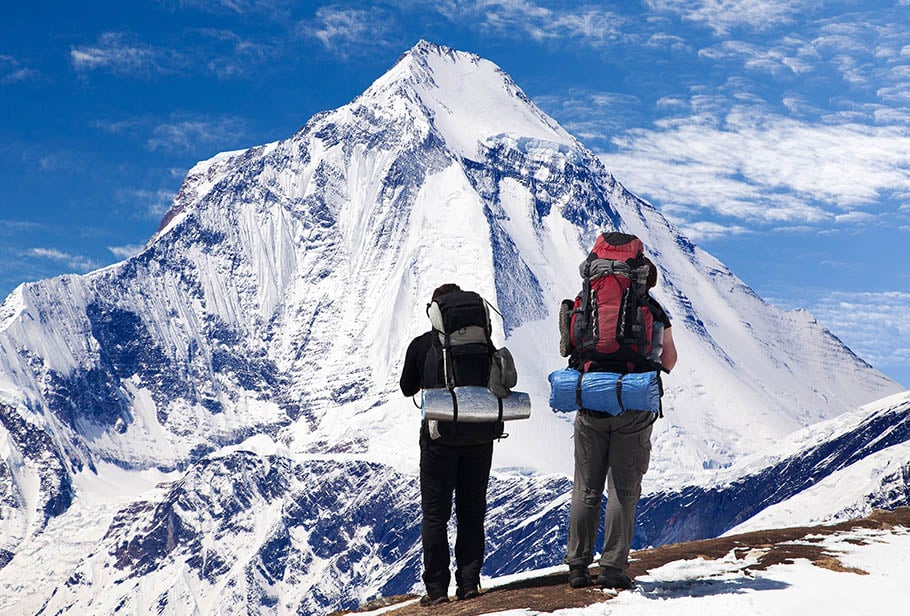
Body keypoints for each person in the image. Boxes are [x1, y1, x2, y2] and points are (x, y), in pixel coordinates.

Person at [565, 258, 677, 590]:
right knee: (622, 490)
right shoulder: (652, 310)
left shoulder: (583, 304)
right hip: (633, 406)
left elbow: (570, 347)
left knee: (586, 488)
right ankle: (612, 568)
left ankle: (577, 567)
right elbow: (669, 361)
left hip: (590, 403)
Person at [400, 283, 501, 605]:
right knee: (472, 512)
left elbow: (406, 388)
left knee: (435, 515)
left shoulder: (421, 346)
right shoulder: (484, 344)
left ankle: (436, 591)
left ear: (435, 312)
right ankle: (469, 583)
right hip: (480, 437)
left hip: (438, 439)